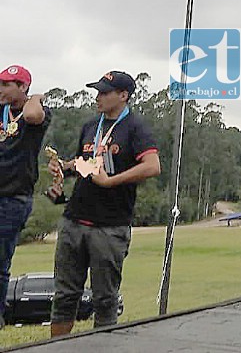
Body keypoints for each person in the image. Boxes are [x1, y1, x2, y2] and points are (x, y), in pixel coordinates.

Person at [48, 71, 160, 336]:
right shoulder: (90, 126)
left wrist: (111, 181)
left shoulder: (135, 128)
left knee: (105, 300)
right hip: (74, 221)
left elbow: (153, 166)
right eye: (97, 92)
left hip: (109, 227)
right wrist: (64, 167)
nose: (97, 97)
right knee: (64, 296)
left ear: (123, 96)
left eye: (104, 92)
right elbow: (85, 163)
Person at [0, 65, 51, 329]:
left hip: (12, 198)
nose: (1, 89)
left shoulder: (36, 113)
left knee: (0, 259)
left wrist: (36, 97)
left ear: (23, 87)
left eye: (7, 84)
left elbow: (32, 115)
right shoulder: (1, 111)